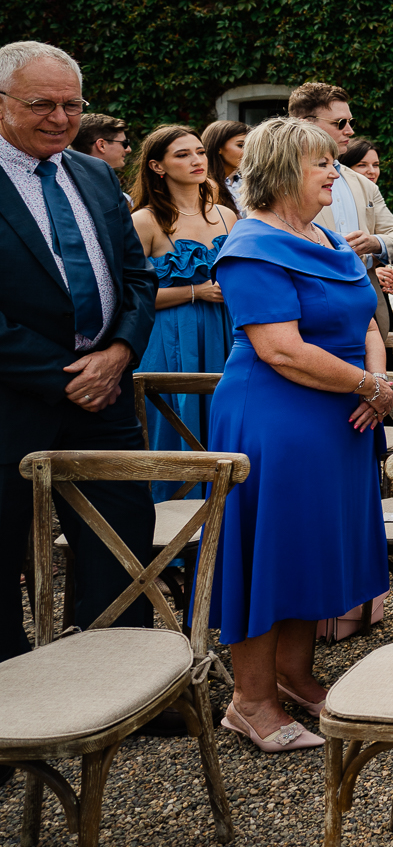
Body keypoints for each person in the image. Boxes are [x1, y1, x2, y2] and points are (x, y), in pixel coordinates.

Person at [202, 117, 392, 752]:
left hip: (341, 415)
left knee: (311, 545)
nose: (335, 175)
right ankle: (249, 701)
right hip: (276, 417)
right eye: (323, 166)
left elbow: (367, 320)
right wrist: (367, 390)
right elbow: (281, 350)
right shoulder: (251, 245)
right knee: (269, 550)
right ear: (283, 171)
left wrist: (375, 380)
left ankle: (293, 673)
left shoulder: (328, 237)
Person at [0, 41, 157, 661]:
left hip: (106, 396)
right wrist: (62, 375)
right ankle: (14, 710)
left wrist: (118, 351)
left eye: (73, 104)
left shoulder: (93, 173)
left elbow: (137, 278)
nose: (61, 118)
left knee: (120, 543)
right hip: (13, 398)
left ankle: (119, 681)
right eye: (42, 103)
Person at [128, 125, 238, 496]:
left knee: (226, 426)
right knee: (175, 426)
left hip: (227, 331)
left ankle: (224, 533)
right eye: (182, 155)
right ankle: (174, 536)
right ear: (158, 167)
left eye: (200, 152)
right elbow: (129, 295)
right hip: (171, 336)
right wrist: (195, 291)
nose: (196, 160)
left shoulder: (226, 215)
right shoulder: (145, 220)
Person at [287, 81, 393, 332]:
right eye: (340, 123)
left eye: (350, 122)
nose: (350, 131)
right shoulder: (281, 183)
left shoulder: (363, 184)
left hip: (367, 304)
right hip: (309, 304)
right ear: (306, 124)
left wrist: (375, 243)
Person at [201, 119, 248, 215]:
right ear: (218, 147)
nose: (248, 152)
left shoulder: (244, 182)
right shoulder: (204, 187)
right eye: (241, 145)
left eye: (250, 146)